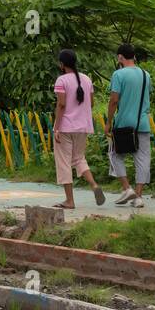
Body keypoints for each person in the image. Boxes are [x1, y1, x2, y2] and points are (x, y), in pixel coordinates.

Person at [51, 49, 105, 208]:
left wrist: (56, 127)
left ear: (62, 64)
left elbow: (61, 105)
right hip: (83, 127)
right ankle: (94, 185)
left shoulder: (61, 80)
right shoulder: (87, 79)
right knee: (79, 158)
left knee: (64, 162)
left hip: (66, 127)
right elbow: (92, 103)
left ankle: (69, 201)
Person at [106, 43, 151, 207]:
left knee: (114, 155)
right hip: (143, 123)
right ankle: (138, 197)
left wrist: (108, 122)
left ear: (120, 57)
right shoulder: (146, 75)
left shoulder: (118, 74)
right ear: (134, 56)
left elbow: (114, 100)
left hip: (124, 123)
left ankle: (127, 188)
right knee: (143, 159)